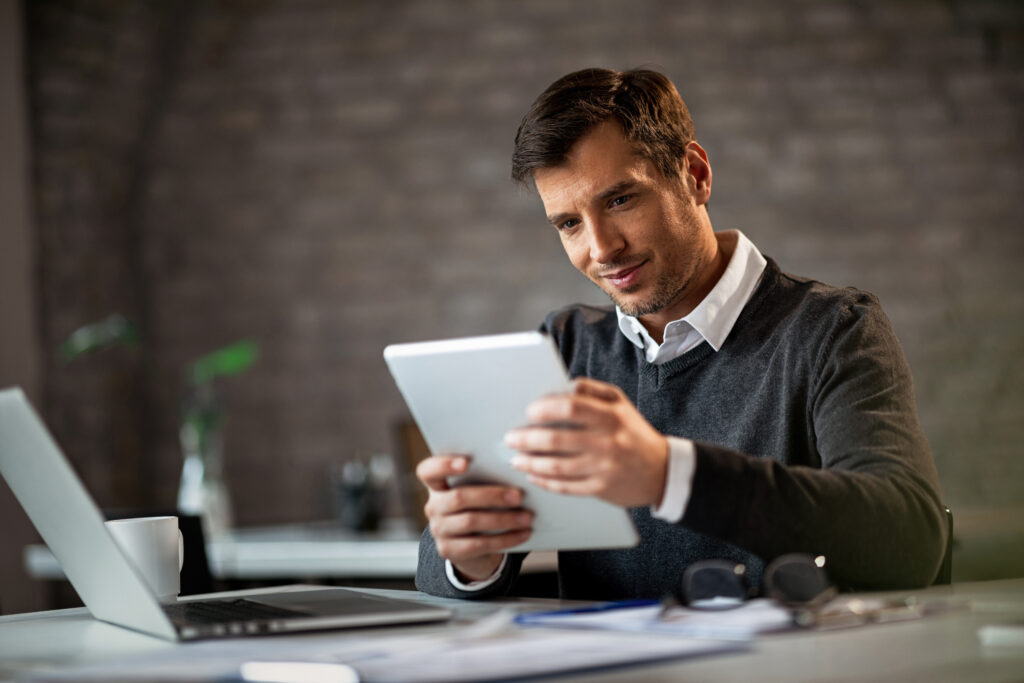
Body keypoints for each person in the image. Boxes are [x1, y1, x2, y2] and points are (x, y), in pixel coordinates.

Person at [414, 67, 947, 601]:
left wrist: (669, 475)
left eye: (620, 200)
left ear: (694, 174)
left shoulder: (833, 329)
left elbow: (910, 540)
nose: (600, 249)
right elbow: (438, 576)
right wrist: (470, 557)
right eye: (569, 224)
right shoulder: (566, 345)